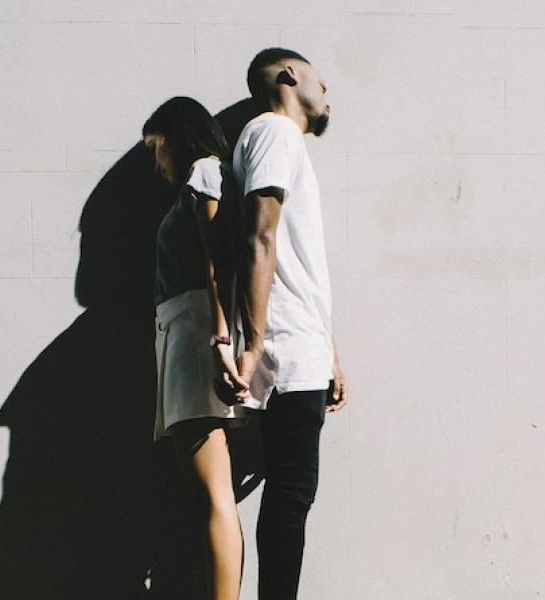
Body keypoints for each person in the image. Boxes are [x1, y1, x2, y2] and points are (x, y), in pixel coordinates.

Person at [230, 48, 349, 599]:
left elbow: (297, 260)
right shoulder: (276, 133)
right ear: (289, 75)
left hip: (299, 344)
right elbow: (260, 236)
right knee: (291, 492)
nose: (327, 95)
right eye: (321, 82)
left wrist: (329, 350)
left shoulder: (281, 142)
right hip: (281, 345)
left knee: (288, 492)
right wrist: (254, 345)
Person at [144, 96, 253, 600]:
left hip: (196, 339)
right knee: (208, 489)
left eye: (157, 147)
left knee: (214, 491)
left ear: (178, 135)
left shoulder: (205, 173)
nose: (156, 161)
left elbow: (220, 263)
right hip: (185, 338)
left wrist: (220, 341)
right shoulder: (197, 181)